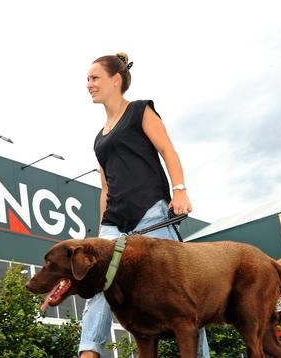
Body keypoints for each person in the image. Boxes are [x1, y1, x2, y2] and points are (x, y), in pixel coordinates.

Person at [79, 52, 210, 357]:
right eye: (87, 79)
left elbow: (167, 150)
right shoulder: (100, 138)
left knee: (179, 293)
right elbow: (105, 187)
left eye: (94, 78)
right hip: (114, 222)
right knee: (97, 282)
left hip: (150, 213)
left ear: (116, 79)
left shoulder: (140, 111)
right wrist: (101, 230)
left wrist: (180, 191)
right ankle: (89, 352)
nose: (89, 84)